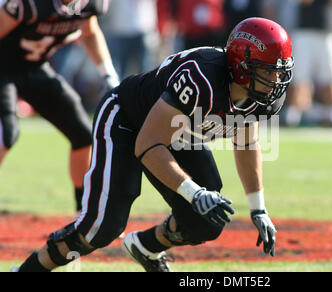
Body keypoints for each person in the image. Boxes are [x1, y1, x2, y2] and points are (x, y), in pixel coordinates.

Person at [14, 17, 294, 272]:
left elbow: (246, 140)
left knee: (206, 220)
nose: (276, 80)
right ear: (241, 65)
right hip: (127, 120)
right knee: (101, 227)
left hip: (178, 134)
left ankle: (146, 247)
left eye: (280, 71)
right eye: (268, 71)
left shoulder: (262, 95)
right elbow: (148, 144)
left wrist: (258, 208)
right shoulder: (201, 77)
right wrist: (193, 191)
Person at [0, 0, 119, 211]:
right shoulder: (30, 4)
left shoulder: (91, 4)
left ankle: (84, 211)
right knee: (6, 134)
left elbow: (90, 33)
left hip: (35, 67)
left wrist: (108, 74)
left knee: (83, 135)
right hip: (2, 67)